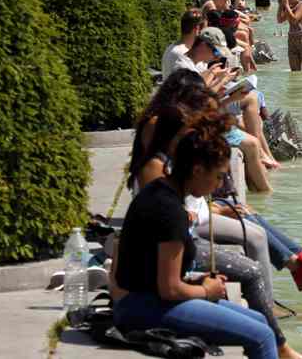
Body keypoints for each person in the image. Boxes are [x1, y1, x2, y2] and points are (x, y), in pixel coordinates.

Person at [113, 116, 280, 359]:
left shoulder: (161, 191)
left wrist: (198, 280)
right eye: (219, 176)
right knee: (262, 336)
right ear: (198, 170)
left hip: (146, 299)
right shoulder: (169, 210)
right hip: (143, 308)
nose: (220, 183)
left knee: (259, 320)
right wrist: (206, 290)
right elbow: (169, 288)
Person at [162, 9, 207, 81]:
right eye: (205, 30)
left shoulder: (173, 48)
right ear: (197, 29)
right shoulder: (182, 54)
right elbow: (195, 87)